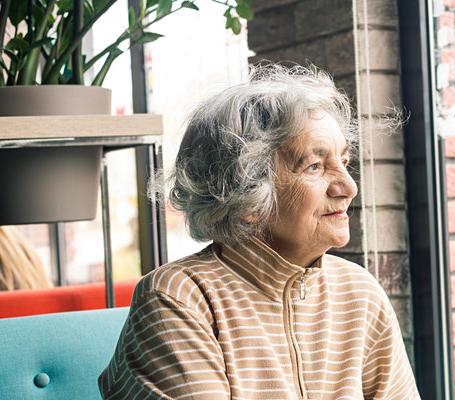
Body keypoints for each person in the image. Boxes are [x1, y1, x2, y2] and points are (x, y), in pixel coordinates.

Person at [98, 64, 421, 399]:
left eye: (345, 162)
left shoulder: (359, 294)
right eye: (314, 166)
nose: (348, 186)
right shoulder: (180, 299)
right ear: (245, 191)